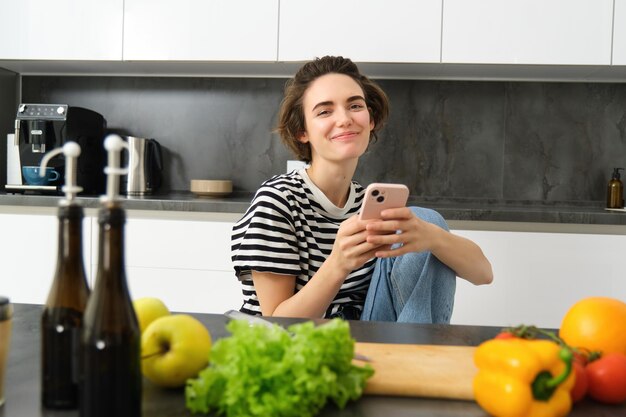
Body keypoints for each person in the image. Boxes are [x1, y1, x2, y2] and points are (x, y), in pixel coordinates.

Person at [231, 56, 493, 323]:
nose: (344, 119)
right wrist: (339, 264)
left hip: (362, 337)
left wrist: (432, 237)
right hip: (295, 345)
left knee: (426, 222)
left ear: (370, 120)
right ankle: (414, 357)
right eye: (324, 111)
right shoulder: (278, 200)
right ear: (302, 131)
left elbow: (484, 274)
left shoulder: (368, 203)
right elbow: (276, 322)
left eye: (355, 106)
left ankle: (413, 354)